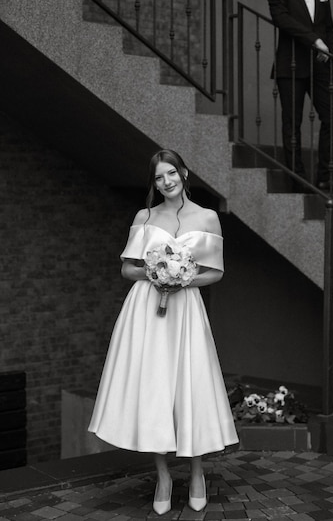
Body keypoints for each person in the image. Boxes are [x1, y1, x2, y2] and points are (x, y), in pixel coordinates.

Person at [88, 149, 238, 515]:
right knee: (153, 386)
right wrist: (155, 272)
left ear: (184, 173)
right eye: (158, 177)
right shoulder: (146, 216)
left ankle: (198, 472)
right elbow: (127, 269)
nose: (166, 182)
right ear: (153, 183)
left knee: (191, 385)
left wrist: (184, 278)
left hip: (185, 310)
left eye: (171, 173)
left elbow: (215, 272)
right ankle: (164, 476)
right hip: (146, 310)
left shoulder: (207, 217)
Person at [267, 0, 333, 194]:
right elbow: (283, 20)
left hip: (320, 66)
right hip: (290, 67)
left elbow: (329, 26)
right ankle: (297, 179)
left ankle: (325, 176)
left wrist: (331, 56)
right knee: (293, 125)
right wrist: (315, 41)